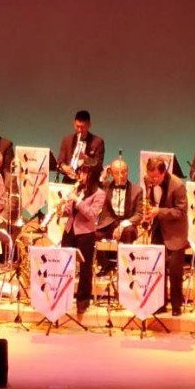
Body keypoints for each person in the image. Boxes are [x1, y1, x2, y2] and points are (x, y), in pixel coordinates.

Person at [139, 157, 190, 315]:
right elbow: (150, 201)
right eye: (150, 176)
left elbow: (181, 212)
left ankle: (176, 306)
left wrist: (158, 211)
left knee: (175, 272)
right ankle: (159, 304)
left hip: (176, 233)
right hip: (158, 229)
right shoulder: (148, 180)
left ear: (163, 172)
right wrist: (148, 214)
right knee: (158, 269)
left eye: (156, 177)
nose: (152, 180)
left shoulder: (177, 185)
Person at [57, 161, 105, 315]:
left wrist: (77, 201)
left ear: (92, 175)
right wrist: (65, 208)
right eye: (80, 172)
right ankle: (62, 297)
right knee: (64, 264)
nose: (81, 176)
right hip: (69, 230)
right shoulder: (78, 189)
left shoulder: (99, 194)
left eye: (84, 173)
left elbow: (91, 214)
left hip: (85, 233)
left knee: (85, 268)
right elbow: (72, 211)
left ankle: (82, 301)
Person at [96, 158, 143, 274]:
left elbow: (139, 214)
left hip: (126, 223)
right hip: (109, 223)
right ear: (111, 174)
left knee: (129, 231)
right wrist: (102, 177)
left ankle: (125, 267)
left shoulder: (137, 190)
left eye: (124, 172)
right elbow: (93, 189)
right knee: (92, 234)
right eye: (117, 173)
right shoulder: (105, 186)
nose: (121, 176)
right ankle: (106, 265)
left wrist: (122, 225)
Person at [56, 110, 105, 184]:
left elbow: (99, 166)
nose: (79, 130)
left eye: (82, 127)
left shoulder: (98, 142)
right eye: (77, 126)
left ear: (89, 125)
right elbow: (60, 161)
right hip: (68, 181)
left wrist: (88, 160)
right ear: (74, 124)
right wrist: (64, 167)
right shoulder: (67, 140)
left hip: (88, 183)